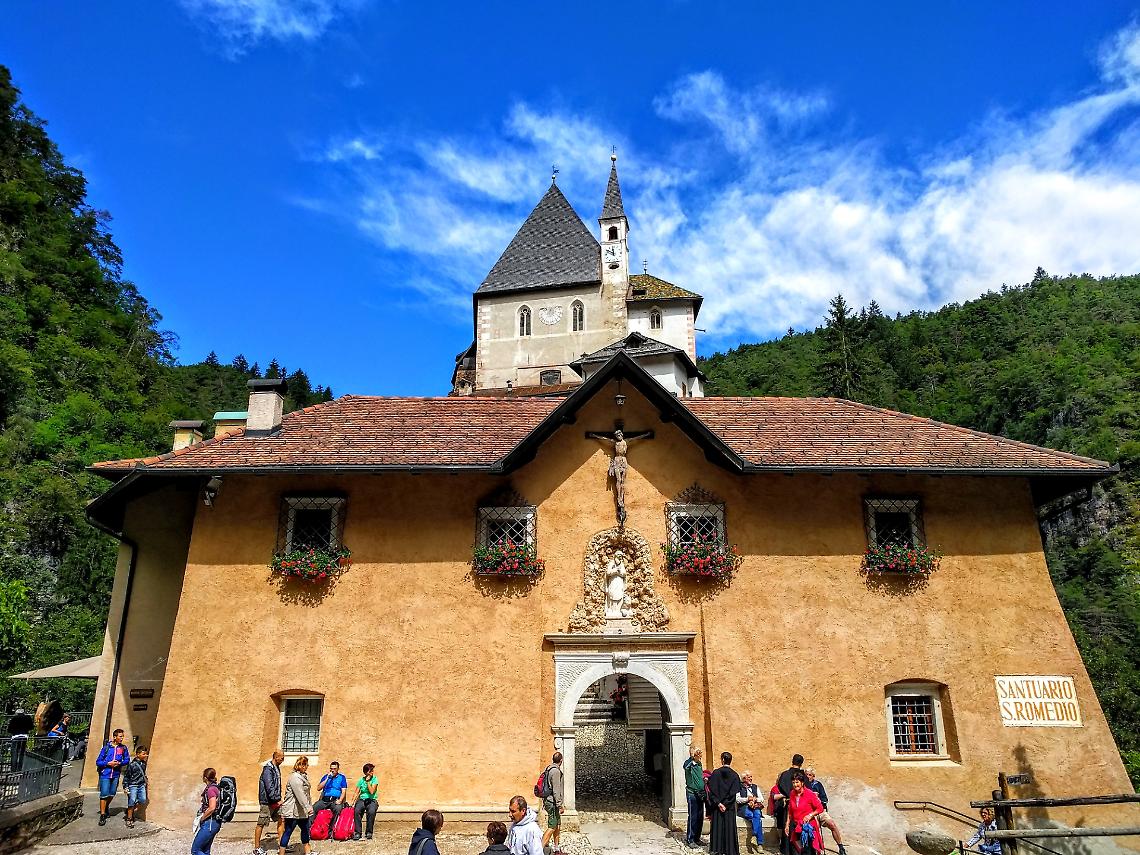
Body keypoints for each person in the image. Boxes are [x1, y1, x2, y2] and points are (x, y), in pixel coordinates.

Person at [804, 767, 847, 855]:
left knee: (832, 824)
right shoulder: (802, 785)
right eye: (806, 775)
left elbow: (825, 799)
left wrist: (818, 799)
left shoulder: (817, 784)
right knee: (815, 832)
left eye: (810, 775)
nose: (808, 777)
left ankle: (841, 846)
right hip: (810, 813)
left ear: (813, 776)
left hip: (820, 810)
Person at [706, 752, 742, 855]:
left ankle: (717, 849)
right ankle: (730, 850)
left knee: (717, 828)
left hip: (717, 807)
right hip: (729, 807)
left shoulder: (716, 773)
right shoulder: (735, 775)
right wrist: (725, 804)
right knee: (729, 828)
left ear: (722, 760)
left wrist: (719, 804)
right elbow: (733, 794)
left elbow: (711, 791)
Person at [279, 755, 314, 855]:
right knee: (288, 831)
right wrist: (308, 808)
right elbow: (300, 794)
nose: (307, 766)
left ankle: (308, 852)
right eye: (306, 764)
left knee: (305, 830)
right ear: (301, 765)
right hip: (293, 811)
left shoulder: (303, 776)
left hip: (301, 811)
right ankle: (281, 853)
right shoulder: (295, 777)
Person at [96, 728, 130, 826]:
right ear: (114, 737)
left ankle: (106, 806)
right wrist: (108, 763)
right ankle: (103, 815)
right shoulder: (106, 748)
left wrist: (120, 763)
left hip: (115, 774)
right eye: (120, 736)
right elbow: (98, 761)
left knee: (112, 793)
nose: (122, 738)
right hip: (105, 774)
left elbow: (127, 759)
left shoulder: (123, 748)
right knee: (104, 793)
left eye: (122, 736)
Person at [254, 750, 285, 855]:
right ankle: (257, 847)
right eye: (281, 757)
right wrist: (277, 799)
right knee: (261, 823)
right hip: (267, 802)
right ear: (276, 757)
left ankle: (282, 845)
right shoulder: (268, 769)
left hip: (275, 800)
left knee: (281, 820)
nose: (283, 760)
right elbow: (269, 786)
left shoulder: (276, 768)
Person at [785, 773, 824, 855]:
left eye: (797, 782)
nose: (795, 785)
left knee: (808, 851)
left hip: (808, 828)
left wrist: (810, 815)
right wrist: (787, 825)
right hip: (796, 827)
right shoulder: (792, 793)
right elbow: (790, 810)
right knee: (796, 850)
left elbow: (820, 808)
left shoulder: (810, 794)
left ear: (802, 783)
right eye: (793, 783)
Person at [774, 754, 806, 854]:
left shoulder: (785, 774)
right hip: (801, 805)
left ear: (792, 761)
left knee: (787, 826)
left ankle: (786, 849)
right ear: (801, 763)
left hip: (788, 803)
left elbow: (780, 787)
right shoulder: (803, 776)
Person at [192, 767, 222, 855]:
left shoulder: (211, 790)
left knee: (195, 850)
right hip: (214, 823)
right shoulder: (216, 788)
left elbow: (212, 807)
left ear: (205, 778)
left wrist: (202, 818)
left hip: (210, 823)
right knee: (205, 850)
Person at [541, 752, 565, 855]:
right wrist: (560, 805)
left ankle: (556, 849)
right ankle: (538, 849)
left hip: (550, 801)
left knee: (557, 825)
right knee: (552, 826)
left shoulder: (549, 768)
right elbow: (556, 790)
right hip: (553, 802)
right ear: (561, 760)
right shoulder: (555, 771)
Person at [683, 746, 706, 848]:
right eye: (698, 753)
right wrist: (692, 757)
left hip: (700, 793)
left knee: (700, 816)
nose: (700, 754)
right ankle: (690, 839)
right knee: (693, 816)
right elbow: (685, 767)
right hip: (692, 793)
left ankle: (697, 838)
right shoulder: (689, 764)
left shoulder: (699, 764)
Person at [312, 759, 348, 826]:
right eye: (331, 769)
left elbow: (343, 791)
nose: (332, 770)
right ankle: (311, 828)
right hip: (325, 799)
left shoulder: (342, 777)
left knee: (338, 809)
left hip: (335, 800)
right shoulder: (326, 777)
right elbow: (318, 788)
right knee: (314, 808)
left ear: (338, 769)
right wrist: (327, 779)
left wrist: (340, 800)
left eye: (334, 769)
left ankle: (331, 830)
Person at [123, 746, 149, 828]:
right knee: (132, 801)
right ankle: (129, 818)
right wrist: (125, 786)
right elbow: (127, 776)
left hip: (141, 785)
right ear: (138, 754)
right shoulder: (132, 765)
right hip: (133, 785)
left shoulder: (143, 764)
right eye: (143, 754)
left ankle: (130, 810)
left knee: (143, 799)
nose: (145, 755)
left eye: (146, 754)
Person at [736, 770, 764, 848]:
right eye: (749, 777)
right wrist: (747, 799)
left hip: (755, 806)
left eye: (751, 777)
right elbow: (737, 799)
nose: (751, 778)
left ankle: (754, 835)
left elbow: (761, 799)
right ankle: (760, 844)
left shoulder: (755, 787)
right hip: (744, 808)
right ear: (744, 779)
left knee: (757, 814)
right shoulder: (739, 787)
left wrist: (755, 799)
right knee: (755, 817)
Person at [354, 762, 380, 840]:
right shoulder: (361, 780)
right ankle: (358, 832)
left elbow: (372, 791)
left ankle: (369, 832)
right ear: (366, 772)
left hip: (372, 800)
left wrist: (368, 782)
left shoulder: (375, 779)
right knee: (357, 811)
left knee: (371, 811)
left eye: (372, 771)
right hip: (362, 799)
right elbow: (356, 792)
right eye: (370, 771)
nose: (372, 772)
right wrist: (352, 802)